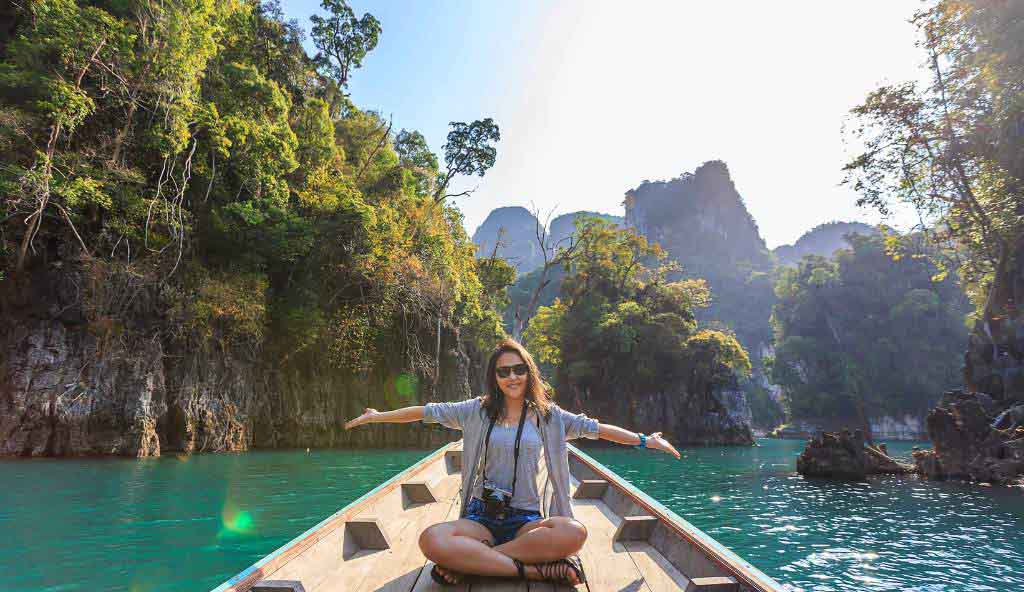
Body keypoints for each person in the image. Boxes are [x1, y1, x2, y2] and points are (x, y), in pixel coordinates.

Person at [344, 339, 680, 587]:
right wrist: (378, 417)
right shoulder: (475, 410)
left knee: (572, 532)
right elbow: (424, 412)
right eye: (504, 371)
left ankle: (475, 560)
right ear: (495, 377)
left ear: (528, 372)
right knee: (431, 539)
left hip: (526, 520)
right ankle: (531, 569)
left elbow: (598, 429)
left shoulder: (550, 418)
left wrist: (644, 440)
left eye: (519, 369)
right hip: (481, 517)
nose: (512, 377)